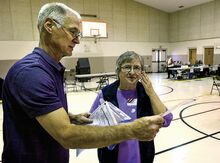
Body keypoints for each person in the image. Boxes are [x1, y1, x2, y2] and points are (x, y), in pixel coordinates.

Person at [1, 3, 165, 163]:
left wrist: (69, 117)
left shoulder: (51, 69)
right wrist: (132, 130)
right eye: (73, 31)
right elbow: (67, 135)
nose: (77, 41)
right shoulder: (32, 73)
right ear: (49, 26)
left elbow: (36, 113)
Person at [90, 51, 173, 163]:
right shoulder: (106, 94)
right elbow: (91, 124)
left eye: (137, 68)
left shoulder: (145, 93)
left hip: (142, 155)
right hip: (111, 156)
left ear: (142, 73)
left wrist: (151, 92)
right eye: (127, 67)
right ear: (118, 71)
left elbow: (166, 120)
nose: (132, 72)